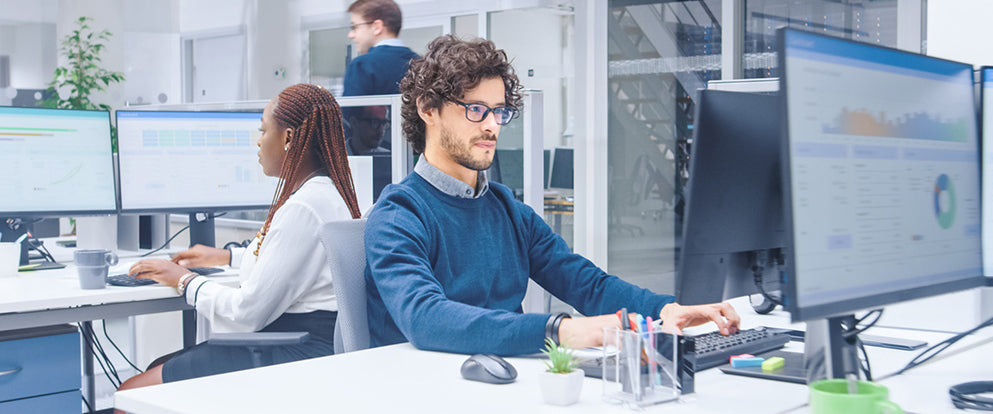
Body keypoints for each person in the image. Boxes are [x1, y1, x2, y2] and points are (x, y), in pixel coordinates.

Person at [364, 35, 741, 356]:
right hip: (424, 388)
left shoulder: (507, 210)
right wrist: (561, 331)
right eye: (476, 109)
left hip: (501, 379)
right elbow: (425, 318)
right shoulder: (399, 214)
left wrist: (666, 309)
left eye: (499, 112)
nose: (492, 125)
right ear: (428, 110)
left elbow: (586, 284)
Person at [116, 83, 362, 393]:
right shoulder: (325, 193)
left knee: (132, 391)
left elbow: (247, 314)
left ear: (287, 137)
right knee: (158, 369)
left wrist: (185, 281)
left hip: (294, 350)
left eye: (263, 131)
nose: (258, 142)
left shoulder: (302, 207)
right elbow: (290, 261)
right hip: (309, 343)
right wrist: (226, 257)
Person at [343, 0, 419, 97]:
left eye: (354, 27)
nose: (350, 35)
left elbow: (350, 111)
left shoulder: (361, 66)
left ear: (377, 27)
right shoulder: (421, 63)